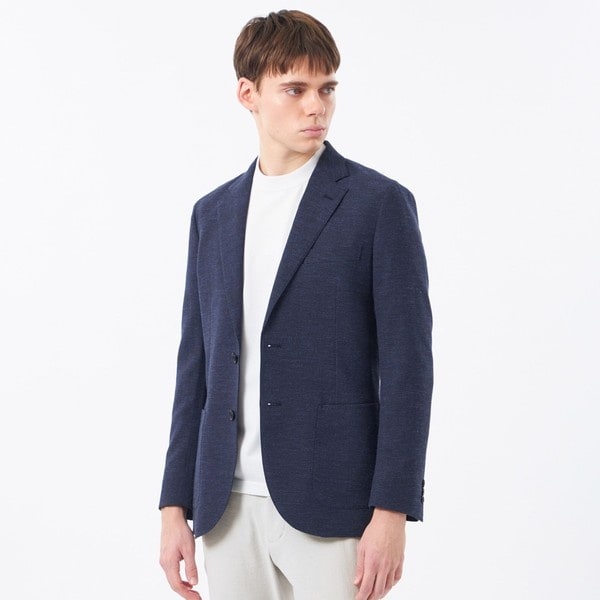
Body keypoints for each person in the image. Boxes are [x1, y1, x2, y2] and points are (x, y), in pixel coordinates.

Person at [159, 9, 433, 600]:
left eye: (327, 88)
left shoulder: (377, 204)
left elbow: (409, 369)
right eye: (295, 89)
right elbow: (195, 370)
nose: (317, 107)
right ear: (248, 94)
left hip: (335, 506)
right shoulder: (213, 215)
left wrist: (392, 509)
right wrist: (173, 505)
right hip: (226, 506)